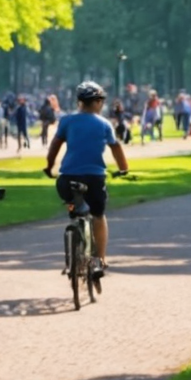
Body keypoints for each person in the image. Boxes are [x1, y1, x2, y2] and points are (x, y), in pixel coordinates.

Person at [45, 80, 131, 278]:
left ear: (79, 102)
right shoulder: (104, 124)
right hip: (94, 178)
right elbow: (116, 148)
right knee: (99, 216)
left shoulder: (66, 121)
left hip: (67, 178)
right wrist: (123, 169)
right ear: (99, 102)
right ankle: (99, 260)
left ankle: (75, 217)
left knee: (74, 205)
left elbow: (55, 147)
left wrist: (49, 167)